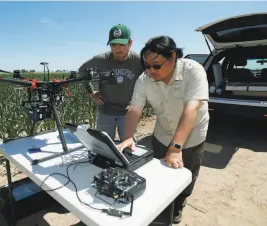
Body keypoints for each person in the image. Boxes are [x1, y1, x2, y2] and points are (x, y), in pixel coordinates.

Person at [117, 35, 209, 224]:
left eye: (156, 65)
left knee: (187, 175)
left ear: (173, 57)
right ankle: (164, 206)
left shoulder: (193, 71)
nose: (151, 71)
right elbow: (135, 108)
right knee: (161, 175)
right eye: (147, 66)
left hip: (191, 134)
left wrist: (176, 148)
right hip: (163, 133)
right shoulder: (144, 80)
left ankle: (180, 204)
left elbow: (191, 108)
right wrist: (127, 137)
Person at [77, 24, 144, 141]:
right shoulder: (100, 60)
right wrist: (91, 92)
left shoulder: (138, 61)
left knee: (130, 146)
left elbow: (149, 80)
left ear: (130, 43)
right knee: (104, 145)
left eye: (122, 44)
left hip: (128, 112)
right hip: (105, 111)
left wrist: (139, 104)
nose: (117, 49)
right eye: (113, 45)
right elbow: (82, 71)